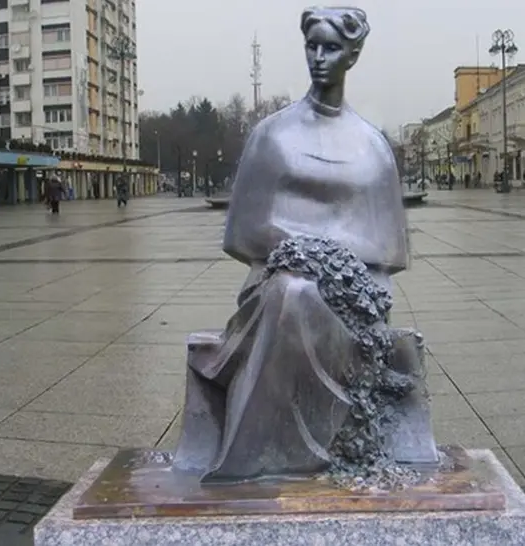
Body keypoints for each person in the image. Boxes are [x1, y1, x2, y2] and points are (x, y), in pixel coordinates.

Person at [173, 7, 408, 482]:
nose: (318, 58)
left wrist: (330, 262)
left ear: (352, 56)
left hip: (355, 293)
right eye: (311, 46)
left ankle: (268, 455)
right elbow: (244, 233)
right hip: (274, 281)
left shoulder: (371, 146)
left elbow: (387, 247)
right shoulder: (273, 135)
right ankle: (256, 455)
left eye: (331, 48)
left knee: (299, 294)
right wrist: (308, 254)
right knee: (293, 293)